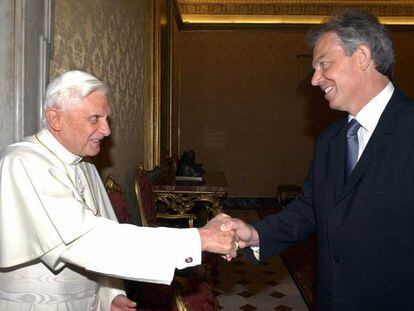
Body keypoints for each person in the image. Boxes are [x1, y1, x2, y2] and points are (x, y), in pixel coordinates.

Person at [222, 9, 414, 310]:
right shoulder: (330, 140)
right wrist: (256, 233)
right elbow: (313, 207)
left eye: (324, 64)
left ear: (362, 57)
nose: (314, 79)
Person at [0, 70, 237, 310]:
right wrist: (198, 239)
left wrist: (109, 294)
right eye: (95, 119)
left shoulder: (86, 165)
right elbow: (85, 240)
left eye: (106, 119)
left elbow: (108, 232)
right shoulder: (22, 162)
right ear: (55, 119)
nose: (106, 130)